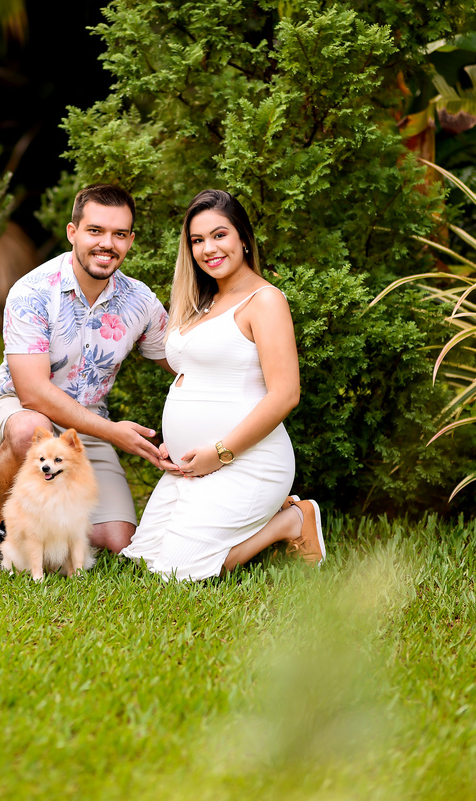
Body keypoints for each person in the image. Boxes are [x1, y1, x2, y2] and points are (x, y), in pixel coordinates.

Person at [0, 184, 173, 571]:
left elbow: (179, 362)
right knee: (32, 428)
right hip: (16, 409)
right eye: (95, 231)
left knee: (117, 540)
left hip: (86, 427)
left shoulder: (140, 301)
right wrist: (114, 433)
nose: (107, 243)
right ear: (73, 232)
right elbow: (33, 393)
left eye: (119, 234)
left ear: (130, 240)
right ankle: (4, 533)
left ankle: (55, 523)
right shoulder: (32, 291)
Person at [121, 189, 325, 581]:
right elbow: (197, 378)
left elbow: (286, 394)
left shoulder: (265, 300)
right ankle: (277, 514)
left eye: (219, 235)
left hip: (247, 460)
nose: (207, 248)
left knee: (179, 571)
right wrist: (176, 442)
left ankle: (294, 520)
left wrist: (221, 452)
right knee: (145, 559)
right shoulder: (202, 303)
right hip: (191, 467)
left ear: (243, 239)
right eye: (197, 240)